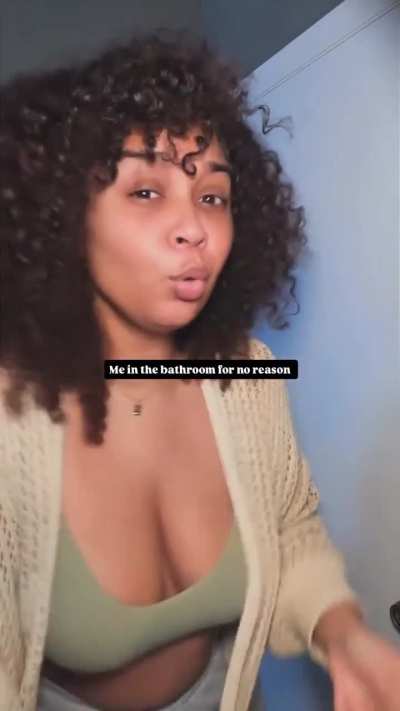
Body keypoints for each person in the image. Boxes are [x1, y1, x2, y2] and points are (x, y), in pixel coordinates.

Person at [1, 28, 399, 711]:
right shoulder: (11, 412)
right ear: (68, 219)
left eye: (212, 196)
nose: (195, 229)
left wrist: (342, 633)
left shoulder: (249, 374)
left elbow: (287, 527)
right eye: (146, 191)